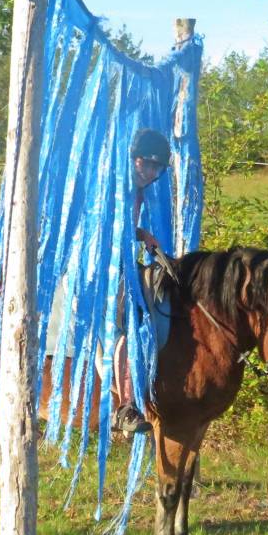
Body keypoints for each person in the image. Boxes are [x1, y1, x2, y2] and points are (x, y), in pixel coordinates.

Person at [112, 128, 171, 437]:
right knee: (129, 319)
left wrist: (143, 235)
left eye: (155, 167)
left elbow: (124, 228)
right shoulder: (113, 186)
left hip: (120, 261)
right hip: (98, 268)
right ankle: (124, 406)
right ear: (132, 160)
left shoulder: (137, 192)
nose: (149, 172)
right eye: (145, 164)